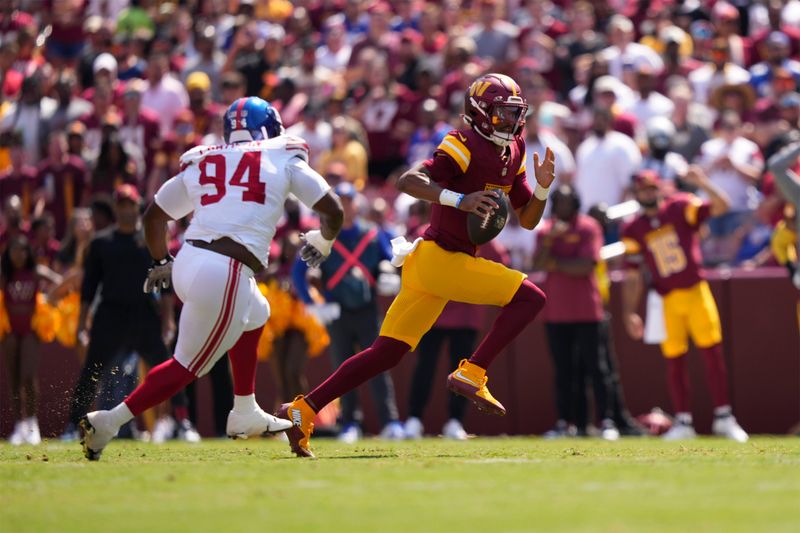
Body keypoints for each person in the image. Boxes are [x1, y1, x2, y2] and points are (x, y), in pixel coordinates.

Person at [279, 73, 555, 458]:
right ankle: (473, 372)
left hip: (431, 264)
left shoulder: (515, 150)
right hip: (441, 259)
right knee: (530, 298)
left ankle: (302, 409)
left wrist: (542, 189)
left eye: (514, 114)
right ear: (478, 114)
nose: (510, 122)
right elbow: (410, 180)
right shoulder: (464, 144)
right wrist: (459, 200)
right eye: (501, 114)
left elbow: (527, 219)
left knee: (385, 353)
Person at [78, 97, 344, 461]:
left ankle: (244, 409)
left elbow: (154, 218)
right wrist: (325, 241)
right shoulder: (282, 155)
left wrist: (161, 261)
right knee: (187, 367)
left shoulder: (205, 157)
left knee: (258, 310)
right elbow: (333, 209)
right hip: (227, 269)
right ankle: (109, 421)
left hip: (190, 260)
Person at [62, 185, 197, 443]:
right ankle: (73, 425)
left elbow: (165, 281)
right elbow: (89, 288)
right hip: (110, 315)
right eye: (121, 205)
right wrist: (82, 324)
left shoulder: (151, 239)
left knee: (169, 367)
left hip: (144, 314)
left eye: (130, 204)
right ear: (116, 208)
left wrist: (167, 320)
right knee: (91, 371)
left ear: (138, 206)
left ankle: (182, 421)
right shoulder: (101, 243)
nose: (126, 210)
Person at [621, 169, 748, 442]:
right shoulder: (633, 228)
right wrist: (630, 311)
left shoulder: (679, 207)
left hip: (695, 291)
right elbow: (633, 275)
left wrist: (702, 182)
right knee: (674, 362)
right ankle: (683, 421)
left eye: (651, 188)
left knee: (713, 355)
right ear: (636, 194)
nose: (648, 194)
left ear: (659, 188)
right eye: (643, 190)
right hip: (667, 299)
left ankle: (724, 417)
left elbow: (722, 206)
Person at [292, 182, 403, 442]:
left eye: (348, 200)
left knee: (378, 365)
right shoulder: (323, 235)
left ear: (356, 203)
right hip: (336, 311)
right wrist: (313, 304)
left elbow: (389, 257)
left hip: (367, 308)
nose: (345, 206)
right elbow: (299, 271)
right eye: (339, 201)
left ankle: (390, 421)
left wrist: (388, 273)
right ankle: (349, 422)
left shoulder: (372, 233)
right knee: (342, 369)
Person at [533, 184, 617, 440]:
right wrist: (550, 242)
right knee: (564, 371)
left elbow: (586, 266)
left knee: (597, 369)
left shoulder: (588, 227)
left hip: (587, 310)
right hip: (557, 312)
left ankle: (607, 421)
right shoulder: (546, 231)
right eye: (559, 202)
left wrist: (556, 263)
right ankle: (565, 422)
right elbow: (537, 264)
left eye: (568, 203)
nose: (563, 207)